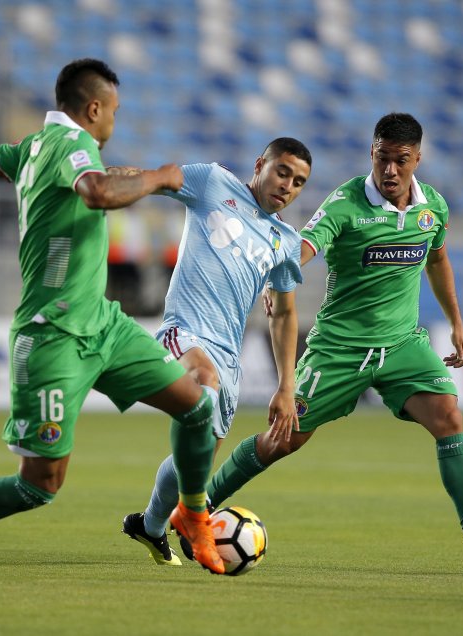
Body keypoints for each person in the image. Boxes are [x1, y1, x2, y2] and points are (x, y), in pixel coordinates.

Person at [0, 58, 225, 578]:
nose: (114, 123)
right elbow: (97, 193)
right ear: (93, 109)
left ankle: (192, 511)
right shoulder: (74, 147)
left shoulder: (33, 147)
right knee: (38, 485)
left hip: (104, 327)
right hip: (52, 337)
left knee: (199, 408)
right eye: (114, 112)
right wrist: (159, 177)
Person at [203, 113, 463, 568]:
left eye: (402, 161)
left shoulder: (434, 208)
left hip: (403, 345)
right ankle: (197, 506)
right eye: (383, 159)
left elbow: (437, 259)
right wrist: (278, 278)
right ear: (372, 153)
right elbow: (304, 246)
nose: (390, 171)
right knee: (282, 441)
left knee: (449, 416)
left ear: (417, 159)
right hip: (339, 349)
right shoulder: (344, 205)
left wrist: (457, 322)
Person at [121, 138, 312, 565]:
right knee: (202, 383)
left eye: (299, 182)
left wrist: (286, 385)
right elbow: (157, 179)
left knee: (198, 458)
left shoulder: (285, 240)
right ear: (261, 164)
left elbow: (283, 315)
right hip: (183, 333)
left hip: (230, 358)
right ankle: (195, 514)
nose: (288, 186)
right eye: (282, 172)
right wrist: (110, 182)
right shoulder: (213, 182)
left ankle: (150, 527)